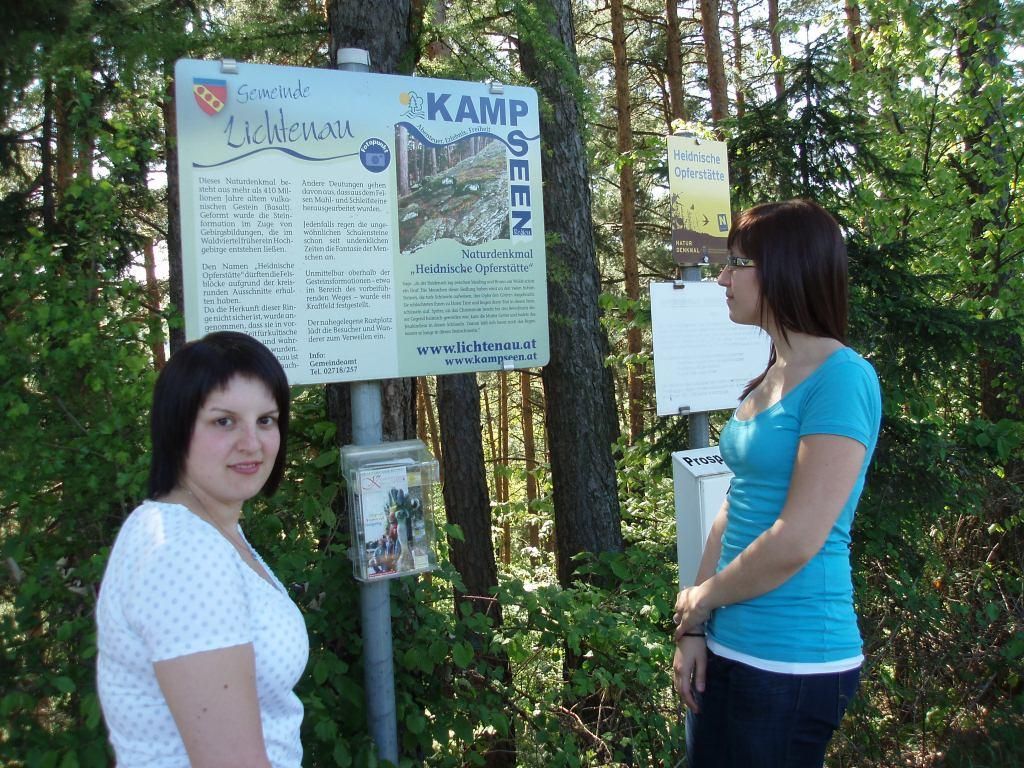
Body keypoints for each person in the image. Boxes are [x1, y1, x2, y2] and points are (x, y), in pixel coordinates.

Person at [671, 200, 882, 767]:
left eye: (737, 263)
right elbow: (734, 506)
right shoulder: (772, 374)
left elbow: (797, 539)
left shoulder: (843, 380)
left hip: (792, 659)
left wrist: (703, 598)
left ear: (784, 269)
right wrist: (693, 626)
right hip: (730, 643)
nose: (722, 277)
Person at [96, 331, 309, 767]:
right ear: (177, 428)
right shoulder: (181, 551)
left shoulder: (208, 529)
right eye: (224, 421)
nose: (252, 443)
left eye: (266, 420)